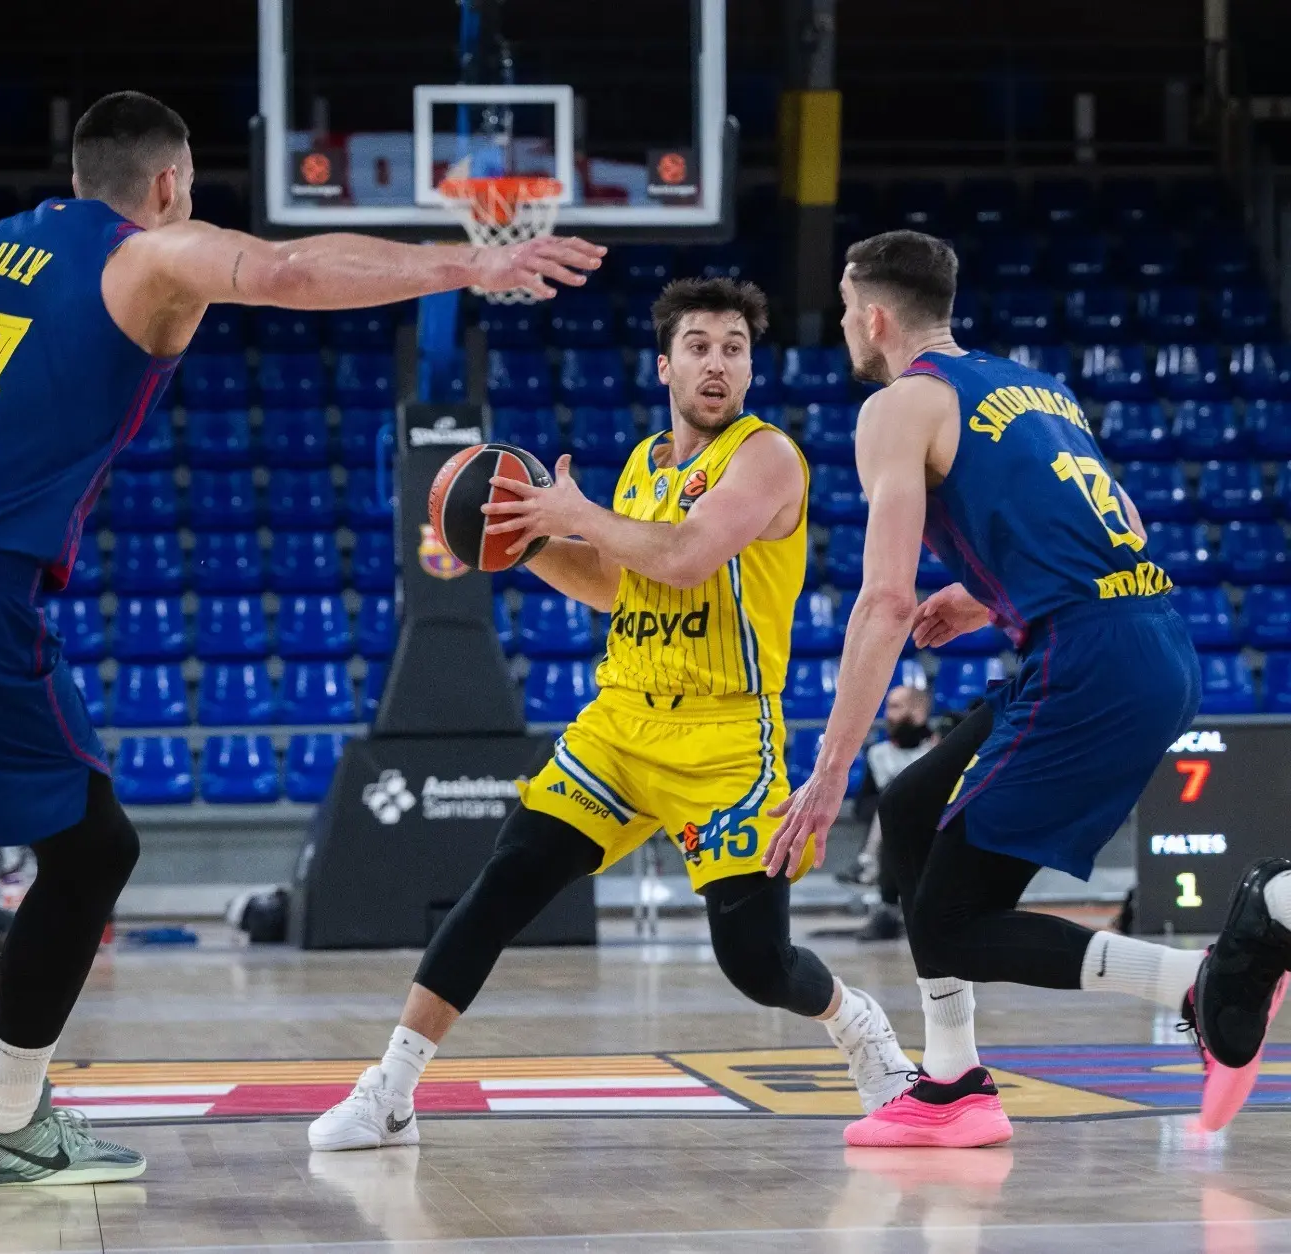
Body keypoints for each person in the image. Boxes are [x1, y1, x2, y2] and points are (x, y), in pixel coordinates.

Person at [0, 90, 603, 1180]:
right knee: (95, 851)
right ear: (169, 183)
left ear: (81, 174)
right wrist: (469, 264)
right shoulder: (148, 257)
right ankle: (7, 1118)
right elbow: (287, 271)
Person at [309, 277, 913, 1154]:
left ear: (751, 368)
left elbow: (685, 556)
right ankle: (390, 1092)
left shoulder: (767, 457)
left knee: (756, 963)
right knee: (505, 882)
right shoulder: (642, 464)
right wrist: (525, 541)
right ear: (664, 366)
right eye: (698, 347)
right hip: (623, 720)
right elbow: (613, 582)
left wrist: (576, 513)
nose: (716, 363)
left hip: (724, 736)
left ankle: (858, 1025)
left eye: (734, 348)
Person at [764, 229, 1291, 1148]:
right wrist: (983, 596)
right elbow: (1119, 523)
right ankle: (952, 1084)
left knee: (954, 923)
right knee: (913, 809)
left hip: (1087, 660)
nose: (844, 326)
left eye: (847, 311)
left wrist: (831, 767)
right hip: (1148, 640)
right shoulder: (1036, 387)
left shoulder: (898, 407)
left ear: (874, 317)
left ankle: (1212, 978)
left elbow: (884, 601)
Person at [846, 684, 938, 941]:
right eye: (888, 707)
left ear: (918, 712)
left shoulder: (940, 747)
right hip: (893, 829)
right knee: (890, 806)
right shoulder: (878, 754)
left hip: (934, 824)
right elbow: (862, 805)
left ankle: (868, 866)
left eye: (896, 707)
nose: (888, 714)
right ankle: (887, 906)